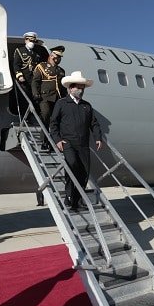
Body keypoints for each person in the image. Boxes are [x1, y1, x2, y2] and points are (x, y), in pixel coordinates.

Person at [49, 71, 102, 212]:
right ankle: (69, 197)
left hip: (83, 144)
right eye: (78, 87)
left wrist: (98, 137)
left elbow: (94, 123)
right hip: (68, 143)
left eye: (82, 88)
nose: (81, 90)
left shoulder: (86, 106)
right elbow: (53, 123)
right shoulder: (62, 103)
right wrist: (57, 140)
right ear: (70, 88)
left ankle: (77, 201)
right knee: (72, 166)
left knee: (84, 172)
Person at [32, 46, 66, 150]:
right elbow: (35, 81)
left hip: (57, 98)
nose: (58, 59)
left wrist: (65, 98)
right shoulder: (41, 66)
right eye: (57, 56)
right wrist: (36, 94)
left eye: (60, 57)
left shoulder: (61, 71)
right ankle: (44, 141)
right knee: (46, 116)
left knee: (56, 120)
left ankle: (55, 141)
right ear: (51, 55)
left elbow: (62, 86)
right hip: (45, 97)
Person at [13, 32, 42, 104]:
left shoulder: (36, 54)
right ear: (26, 40)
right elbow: (16, 65)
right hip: (24, 78)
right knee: (24, 99)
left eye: (33, 41)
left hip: (34, 79)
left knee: (35, 98)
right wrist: (19, 76)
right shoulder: (19, 51)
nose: (32, 43)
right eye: (30, 40)